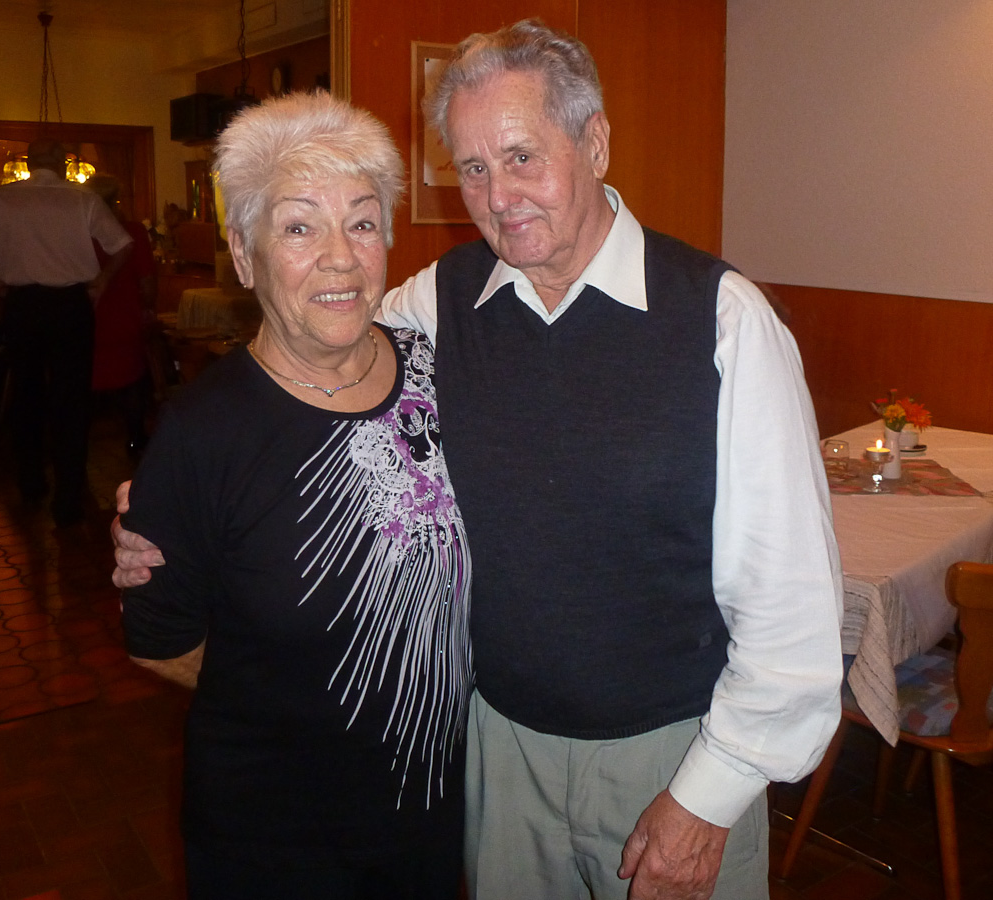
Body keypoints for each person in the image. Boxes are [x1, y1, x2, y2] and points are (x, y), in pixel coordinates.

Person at [113, 20, 844, 900]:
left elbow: (791, 609)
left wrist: (710, 796)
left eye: (522, 156)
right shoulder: (441, 305)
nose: (500, 197)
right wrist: (172, 506)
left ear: (596, 142)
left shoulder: (722, 322)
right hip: (497, 760)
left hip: (674, 758)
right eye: (473, 169)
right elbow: (317, 350)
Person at [119, 91, 472, 899]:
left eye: (361, 222)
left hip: (427, 807)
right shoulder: (204, 432)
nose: (340, 257)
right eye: (299, 228)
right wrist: (300, 704)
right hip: (277, 832)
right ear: (245, 257)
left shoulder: (436, 369)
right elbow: (159, 638)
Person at [0, 139, 133, 526]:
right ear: (64, 164)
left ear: (29, 163)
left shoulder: (0, 199)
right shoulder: (82, 199)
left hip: (23, 305)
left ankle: (30, 482)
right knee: (72, 400)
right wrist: (102, 281)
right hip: (70, 306)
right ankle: (68, 497)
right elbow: (122, 245)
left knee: (26, 394)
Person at [85, 174, 157, 457]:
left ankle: (80, 445)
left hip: (88, 316)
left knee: (86, 380)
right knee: (132, 380)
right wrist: (148, 307)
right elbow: (147, 281)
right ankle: (135, 439)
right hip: (124, 314)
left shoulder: (80, 235)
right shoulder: (132, 232)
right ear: (115, 201)